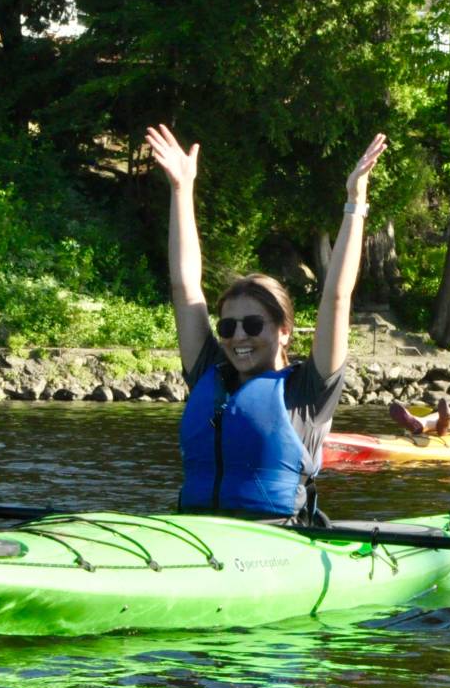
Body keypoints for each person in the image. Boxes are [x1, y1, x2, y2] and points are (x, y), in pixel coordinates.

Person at [147, 123, 386, 522]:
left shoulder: (308, 391)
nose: (238, 336)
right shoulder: (209, 372)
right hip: (195, 536)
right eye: (228, 327)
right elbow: (185, 286)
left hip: (274, 541)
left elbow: (337, 296)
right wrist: (181, 190)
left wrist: (355, 203)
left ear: (283, 331)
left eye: (253, 326)